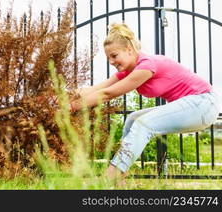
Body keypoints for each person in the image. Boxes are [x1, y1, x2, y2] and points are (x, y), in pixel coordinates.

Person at [69, 23, 221, 182]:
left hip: (204, 103)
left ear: (129, 49)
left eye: (114, 56)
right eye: (108, 58)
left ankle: (112, 175)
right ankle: (120, 178)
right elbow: (97, 88)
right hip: (194, 104)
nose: (111, 62)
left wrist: (71, 107)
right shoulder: (128, 70)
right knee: (132, 120)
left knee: (144, 124)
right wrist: (62, 98)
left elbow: (107, 94)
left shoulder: (147, 65)